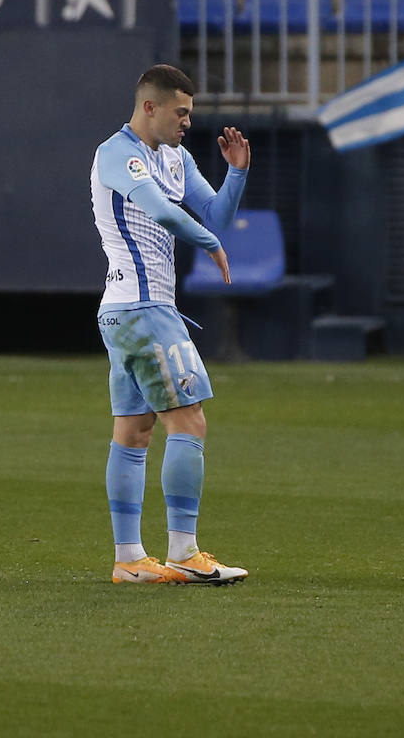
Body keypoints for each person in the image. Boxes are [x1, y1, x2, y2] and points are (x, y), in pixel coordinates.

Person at [90, 64, 251, 586]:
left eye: (191, 114)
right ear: (150, 107)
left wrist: (237, 173)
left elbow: (216, 214)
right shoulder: (118, 153)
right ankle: (184, 550)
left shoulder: (176, 158)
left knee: (134, 432)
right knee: (190, 422)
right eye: (180, 113)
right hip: (142, 308)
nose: (187, 123)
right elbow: (162, 211)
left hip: (128, 310)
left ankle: (129, 560)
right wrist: (210, 245)